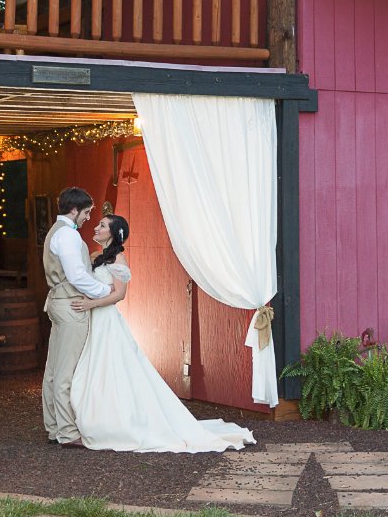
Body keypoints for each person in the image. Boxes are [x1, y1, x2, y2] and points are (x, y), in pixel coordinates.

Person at [68, 214, 255, 452]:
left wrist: (90, 304)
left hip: (106, 320)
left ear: (113, 233)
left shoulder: (118, 260)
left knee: (111, 367)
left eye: (102, 225)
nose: (96, 227)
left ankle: (118, 420)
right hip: (93, 320)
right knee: (91, 366)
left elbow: (118, 295)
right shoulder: (96, 258)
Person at [41, 187, 122, 447]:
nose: (88, 218)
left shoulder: (58, 232)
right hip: (71, 305)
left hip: (58, 302)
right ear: (74, 210)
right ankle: (67, 432)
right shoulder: (67, 235)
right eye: (87, 212)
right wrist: (104, 291)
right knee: (65, 373)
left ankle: (54, 427)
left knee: (53, 371)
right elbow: (76, 276)